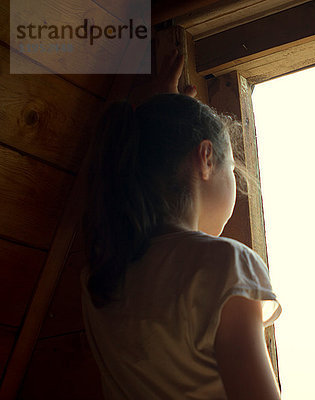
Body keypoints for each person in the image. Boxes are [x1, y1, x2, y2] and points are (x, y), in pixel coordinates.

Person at [80, 51, 282, 400]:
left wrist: (161, 116)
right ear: (205, 158)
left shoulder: (98, 275)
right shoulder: (228, 266)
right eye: (231, 168)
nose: (234, 178)